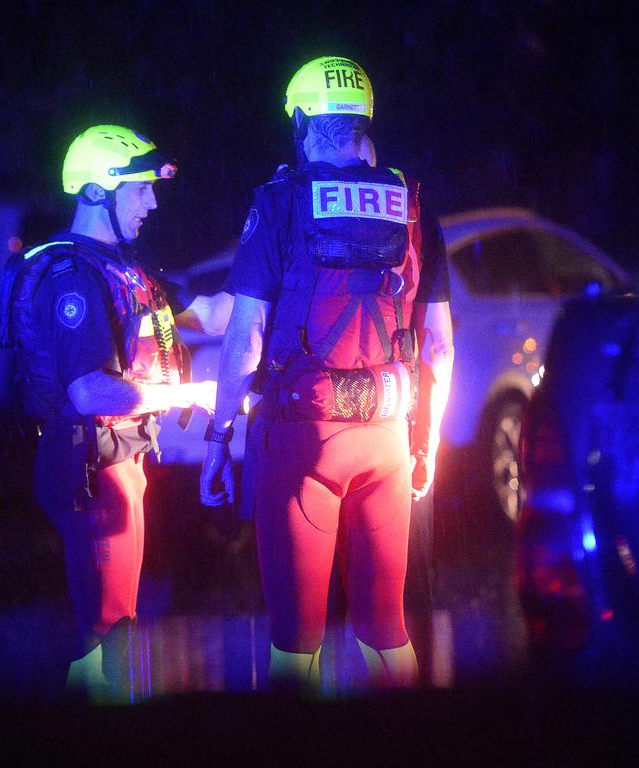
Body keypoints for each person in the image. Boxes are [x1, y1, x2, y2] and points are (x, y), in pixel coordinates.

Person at [199, 56, 454, 693]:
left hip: (303, 440)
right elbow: (441, 347)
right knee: (387, 629)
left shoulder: (282, 201)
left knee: (296, 640)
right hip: (390, 440)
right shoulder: (412, 203)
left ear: (306, 120)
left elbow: (244, 338)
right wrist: (429, 445)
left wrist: (218, 437)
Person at [0, 124, 226, 701]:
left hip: (117, 464)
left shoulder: (128, 271)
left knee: (113, 632)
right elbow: (89, 394)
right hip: (88, 468)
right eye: (141, 188)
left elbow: (218, 315)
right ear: (99, 190)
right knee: (106, 638)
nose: (152, 201)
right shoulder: (73, 277)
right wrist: (191, 396)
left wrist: (281, 256)